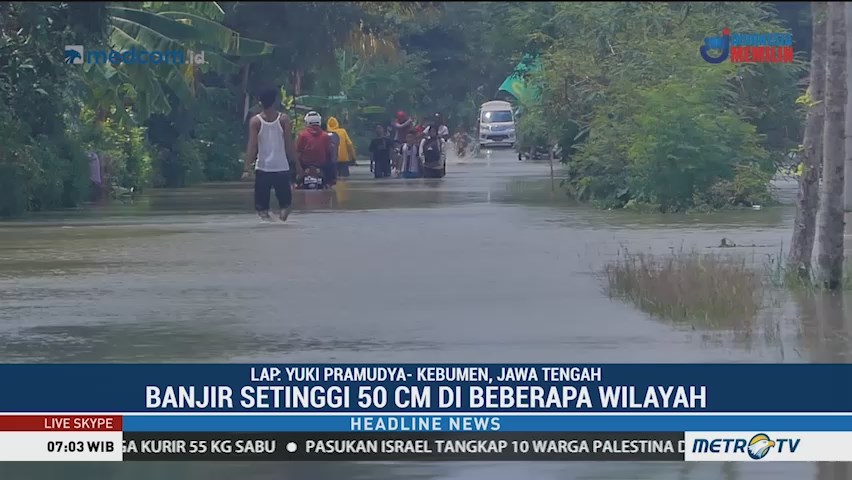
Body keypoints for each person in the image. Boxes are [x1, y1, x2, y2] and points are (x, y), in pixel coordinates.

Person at [243, 87, 299, 222]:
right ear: (274, 102)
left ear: (260, 102)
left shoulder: (255, 121)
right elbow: (289, 145)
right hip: (281, 168)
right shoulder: (283, 119)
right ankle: (281, 223)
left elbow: (252, 146)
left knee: (262, 209)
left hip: (263, 168)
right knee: (286, 206)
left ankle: (269, 225)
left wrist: (246, 168)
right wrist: (297, 166)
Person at [296, 111, 331, 189]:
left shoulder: (302, 135)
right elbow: (329, 152)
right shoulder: (325, 136)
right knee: (330, 180)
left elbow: (298, 151)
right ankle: (330, 182)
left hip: (305, 165)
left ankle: (294, 183)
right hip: (321, 165)